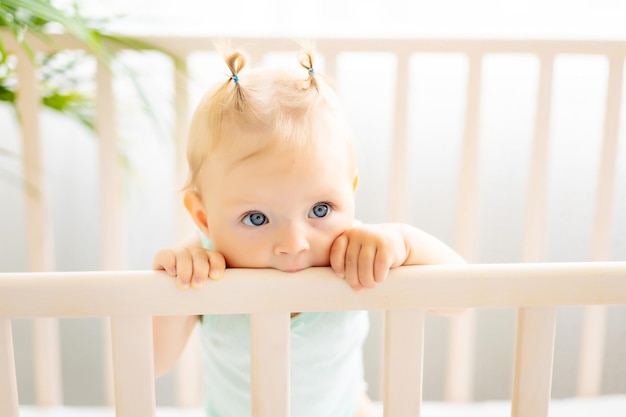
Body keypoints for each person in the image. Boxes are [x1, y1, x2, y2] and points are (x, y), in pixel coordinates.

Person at [152, 48, 465, 417]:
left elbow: (461, 298)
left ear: (350, 193)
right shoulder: (206, 268)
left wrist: (405, 243)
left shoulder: (356, 251)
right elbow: (151, 365)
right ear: (204, 219)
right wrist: (172, 289)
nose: (293, 244)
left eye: (320, 210)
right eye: (256, 218)